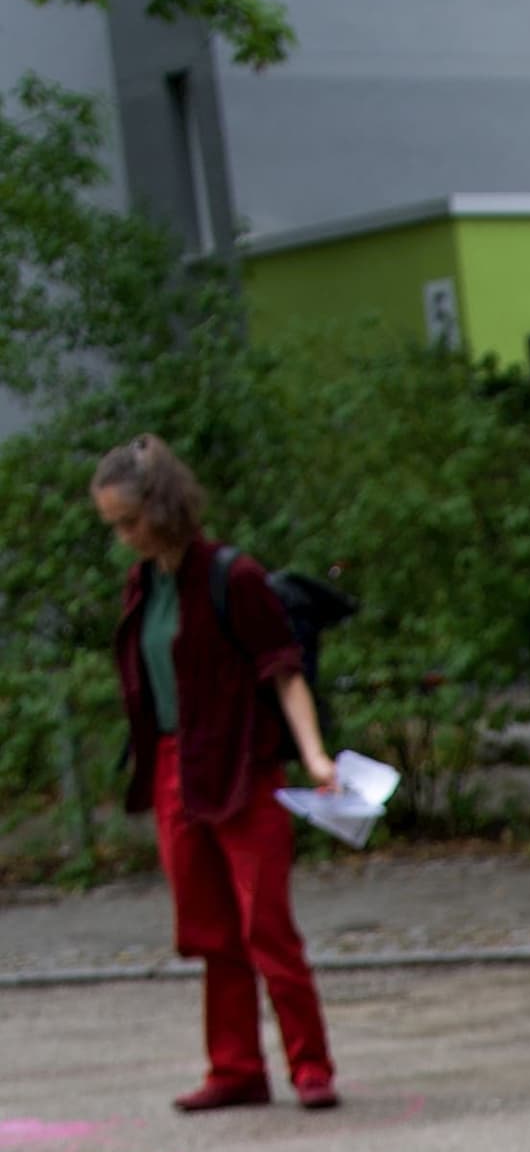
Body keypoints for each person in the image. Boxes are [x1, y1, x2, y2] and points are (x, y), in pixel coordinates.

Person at [94, 440, 342, 1115]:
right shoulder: (142, 585)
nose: (123, 538)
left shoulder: (233, 576)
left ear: (162, 507)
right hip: (176, 766)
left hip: (242, 764)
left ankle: (310, 1065)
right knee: (207, 926)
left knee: (266, 921)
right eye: (114, 525)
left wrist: (315, 757)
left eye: (128, 522)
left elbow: (282, 668)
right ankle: (235, 1068)